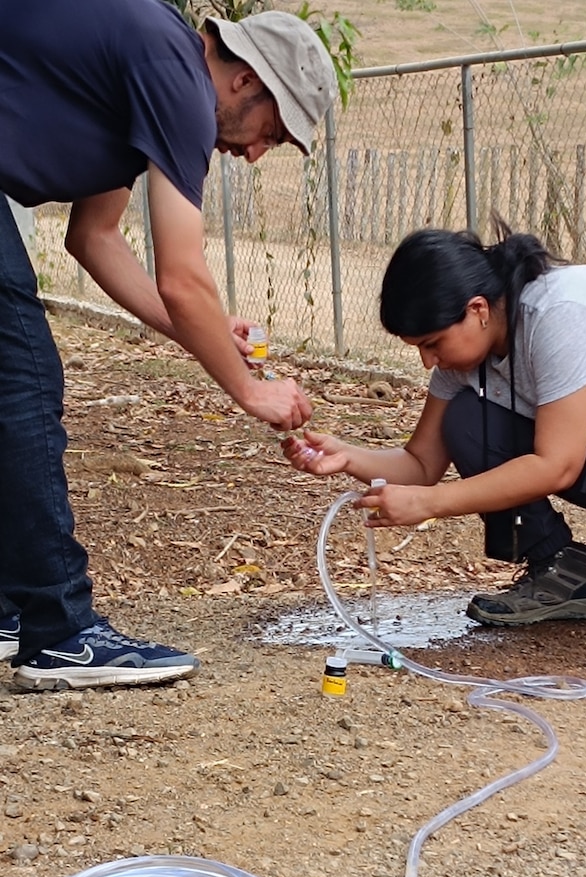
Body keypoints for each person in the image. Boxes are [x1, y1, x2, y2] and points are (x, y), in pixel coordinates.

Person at [0, 0, 338, 690]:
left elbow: (94, 238)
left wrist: (209, 334)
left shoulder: (145, 75)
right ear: (245, 79)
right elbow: (183, 280)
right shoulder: (178, 77)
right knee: (23, 386)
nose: (254, 153)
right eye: (271, 131)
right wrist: (250, 390)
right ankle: (59, 633)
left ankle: (13, 609)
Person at [283, 219, 586, 632]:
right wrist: (347, 456)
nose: (427, 361)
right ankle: (562, 572)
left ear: (477, 309)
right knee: (467, 421)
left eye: (432, 344)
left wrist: (431, 504)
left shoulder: (559, 312)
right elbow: (422, 463)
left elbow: (558, 465)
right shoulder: (465, 354)